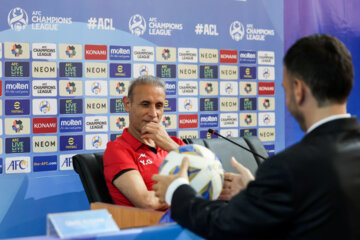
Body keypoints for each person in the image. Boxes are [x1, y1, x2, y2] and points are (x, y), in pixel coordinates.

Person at [152, 34, 360, 239]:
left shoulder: (288, 169)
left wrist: (177, 190)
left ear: (298, 90)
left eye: (285, 89)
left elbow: (224, 226)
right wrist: (255, 195)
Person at [103, 75, 185, 210]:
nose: (153, 113)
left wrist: (172, 146)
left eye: (159, 106)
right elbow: (147, 202)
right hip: (154, 227)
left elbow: (210, 179)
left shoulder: (176, 144)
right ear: (127, 104)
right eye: (145, 104)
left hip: (191, 222)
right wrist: (190, 193)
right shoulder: (117, 150)